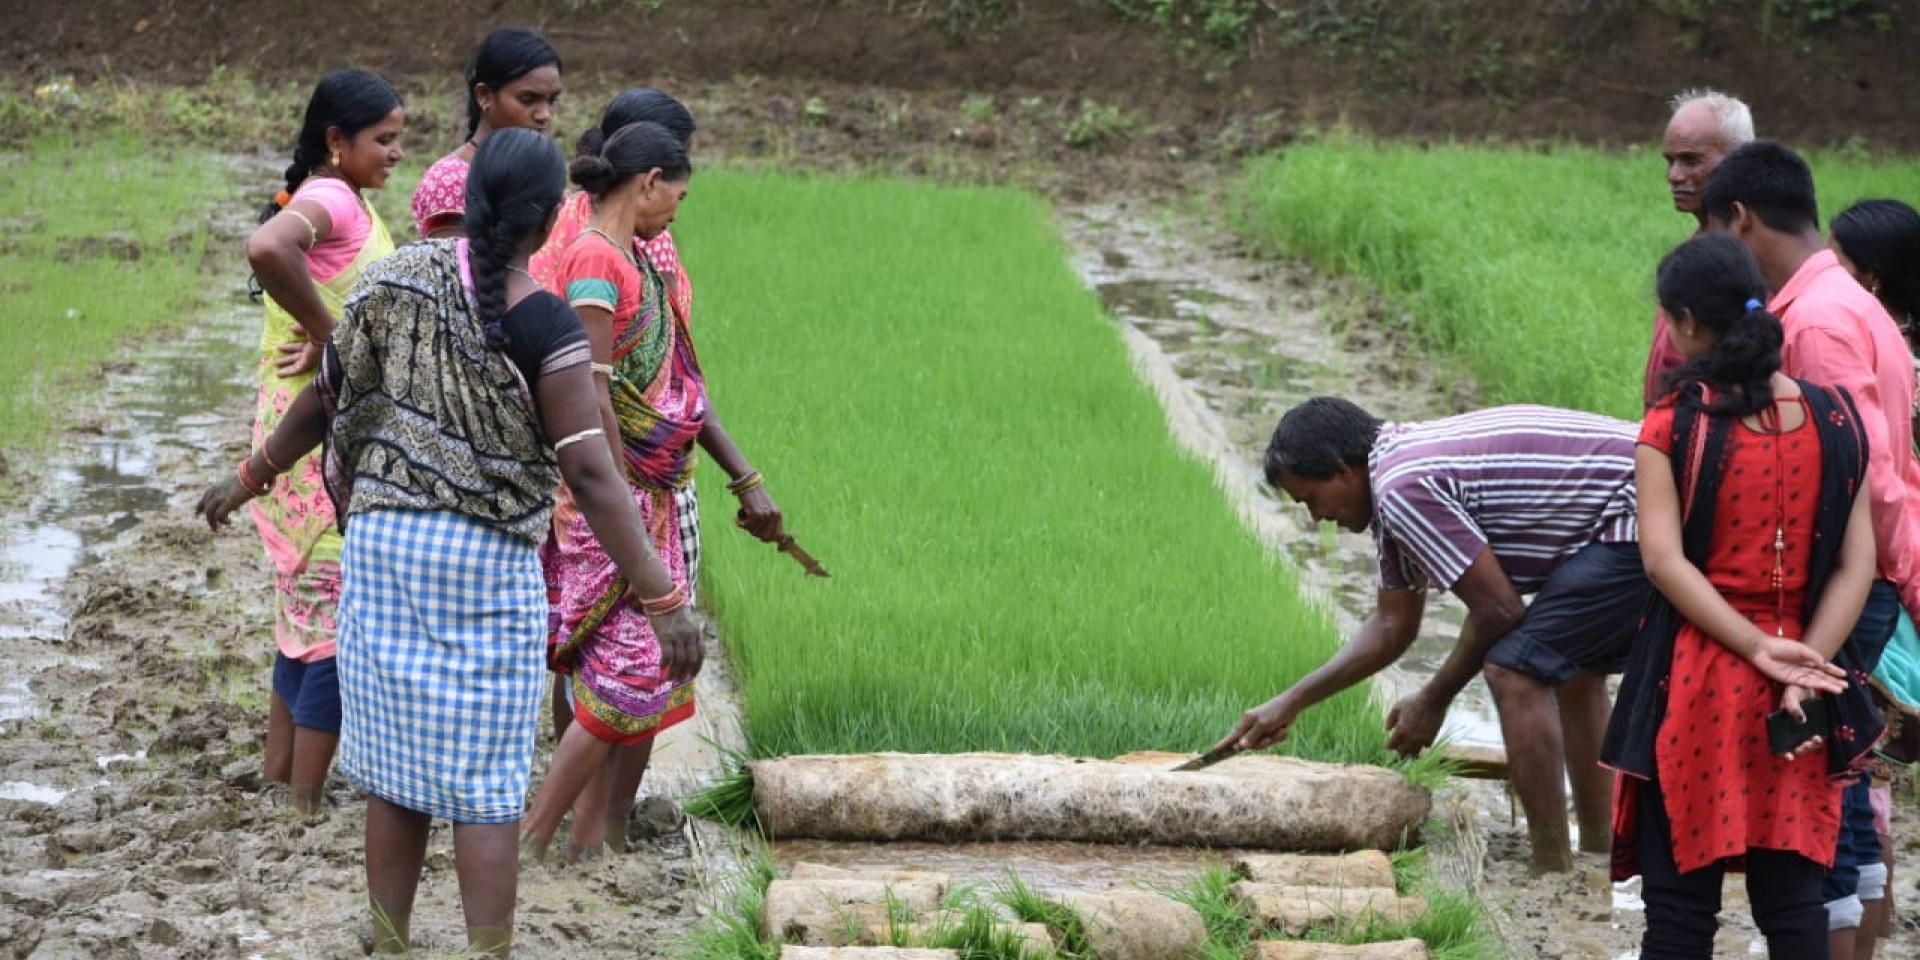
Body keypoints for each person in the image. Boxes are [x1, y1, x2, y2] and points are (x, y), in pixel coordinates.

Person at [198, 129, 703, 956]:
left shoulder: (389, 283)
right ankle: (488, 950)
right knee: (486, 783)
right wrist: (661, 596)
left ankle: (389, 937)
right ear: (545, 223)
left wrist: (248, 475)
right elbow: (594, 478)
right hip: (487, 562)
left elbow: (326, 401)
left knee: (393, 774)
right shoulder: (542, 320)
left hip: (385, 550)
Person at [1220, 397, 1651, 873]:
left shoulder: (1401, 488)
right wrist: (1291, 702)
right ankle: (1601, 852)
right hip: (1645, 493)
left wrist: (1433, 700)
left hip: (1645, 505)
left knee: (1513, 671)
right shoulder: (1395, 482)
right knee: (1573, 669)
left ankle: (1552, 869)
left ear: (1344, 471)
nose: (1316, 518)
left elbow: (1499, 610)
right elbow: (1392, 626)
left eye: (1310, 500)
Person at [1605, 232, 1878, 959]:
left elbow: (1664, 563)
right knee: (1794, 913)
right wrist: (1804, 662)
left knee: (1680, 915)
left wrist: (1758, 648)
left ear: (1686, 321)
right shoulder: (1838, 419)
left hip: (1698, 682)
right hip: (1805, 692)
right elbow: (1860, 565)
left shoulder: (1673, 425)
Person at [528, 91, 787, 855]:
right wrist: (626, 499)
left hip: (645, 488)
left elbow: (670, 382)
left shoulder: (634, 255)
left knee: (636, 668)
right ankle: (542, 838)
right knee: (629, 668)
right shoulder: (593, 261)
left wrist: (734, 477)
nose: (680, 207)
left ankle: (589, 841)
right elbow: (593, 394)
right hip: (612, 494)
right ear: (647, 181)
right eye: (678, 191)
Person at [1703, 141, 1918, 957]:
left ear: (1742, 220)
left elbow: (1861, 480)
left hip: (1842, 593)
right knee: (1844, 796)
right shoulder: (1850, 302)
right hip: (1865, 586)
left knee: (1818, 813)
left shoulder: (1819, 322)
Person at [242, 68, 403, 814]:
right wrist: (331, 335)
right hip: (316, 447)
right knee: (337, 627)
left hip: (303, 433)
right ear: (337, 142)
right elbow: (269, 248)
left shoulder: (343, 197)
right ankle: (304, 801)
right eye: (384, 139)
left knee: (304, 620)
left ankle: (281, 776)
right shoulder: (332, 197)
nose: (397, 153)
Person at [1827, 196, 1920, 960]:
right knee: (1873, 769)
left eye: (1841, 262)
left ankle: (1869, 934)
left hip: (1898, 567)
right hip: (1901, 566)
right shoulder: (1889, 344)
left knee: (1864, 766)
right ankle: (1876, 935)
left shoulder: (1885, 351)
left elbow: (1890, 482)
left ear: (1876, 278)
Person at [1646, 89, 1754, 405]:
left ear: (1738, 158)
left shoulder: (1750, 259)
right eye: (1670, 161)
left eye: (1691, 160)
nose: (1674, 176)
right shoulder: (1693, 246)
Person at [409, 26, 563, 239]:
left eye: (552, 100)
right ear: (484, 96)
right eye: (528, 99)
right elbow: (452, 269)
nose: (544, 114)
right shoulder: (452, 180)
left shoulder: (543, 173)